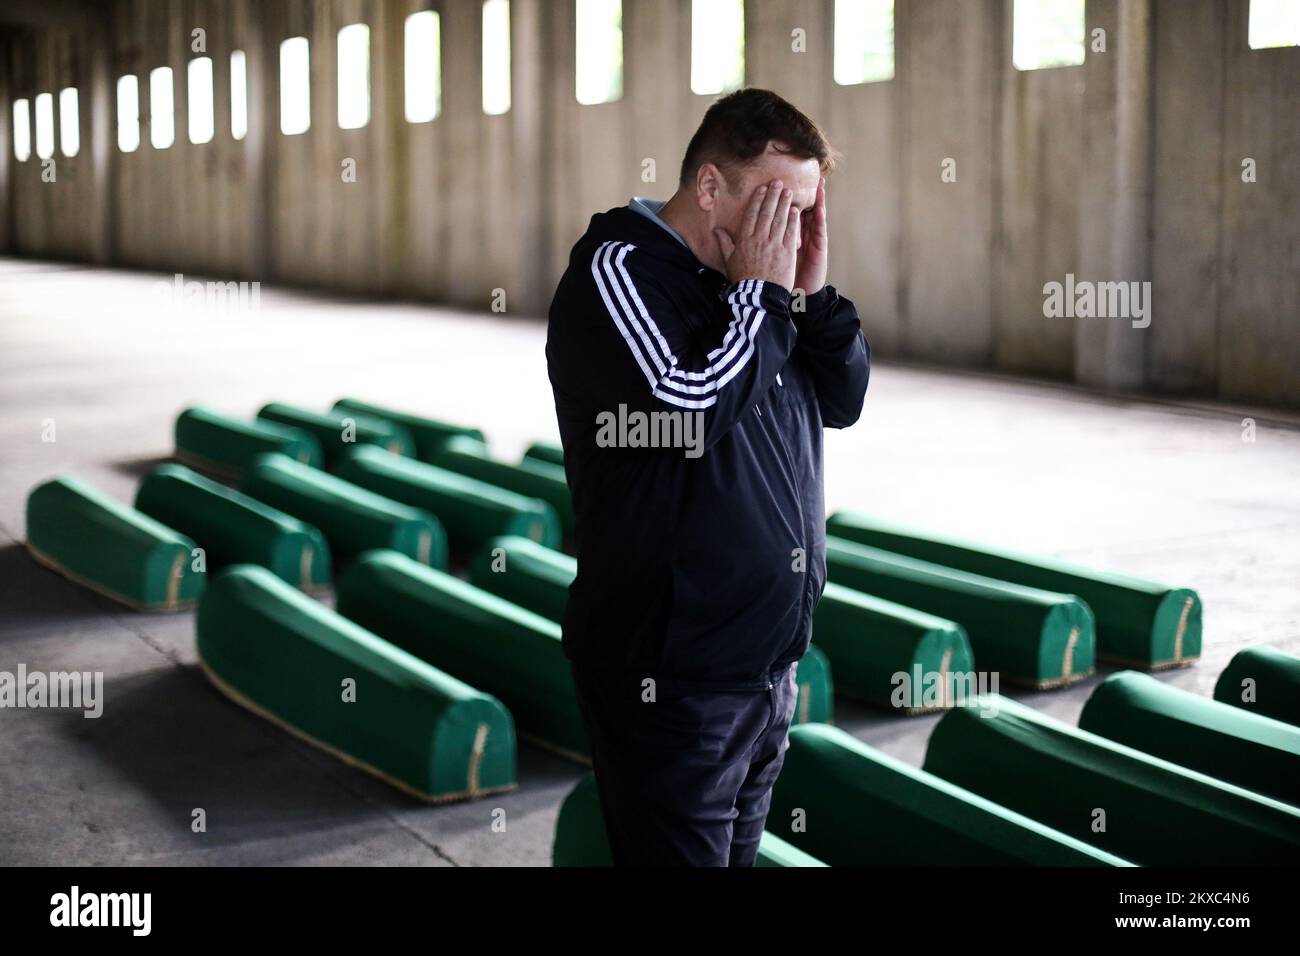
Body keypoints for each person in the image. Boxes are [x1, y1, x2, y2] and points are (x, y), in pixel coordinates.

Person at [545, 88, 871, 866]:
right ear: (709, 186)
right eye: (768, 205)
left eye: (799, 212)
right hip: (672, 679)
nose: (780, 233)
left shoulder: (765, 292)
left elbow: (846, 399)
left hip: (765, 669)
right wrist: (761, 295)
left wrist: (809, 297)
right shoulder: (619, 271)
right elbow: (686, 409)